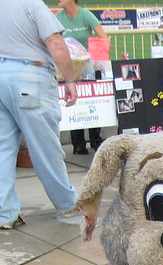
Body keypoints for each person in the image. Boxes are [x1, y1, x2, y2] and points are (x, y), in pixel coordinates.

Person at [0, 0, 82, 230]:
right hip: (29, 74)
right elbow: (55, 42)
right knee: (45, 147)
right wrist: (70, 79)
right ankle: (67, 206)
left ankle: (6, 213)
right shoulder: (31, 3)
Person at [55, 0, 108, 154]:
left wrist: (98, 58)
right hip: (68, 66)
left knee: (91, 100)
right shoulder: (57, 18)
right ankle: (78, 143)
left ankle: (95, 139)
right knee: (73, 102)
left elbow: (103, 38)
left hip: (88, 67)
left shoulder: (86, 15)